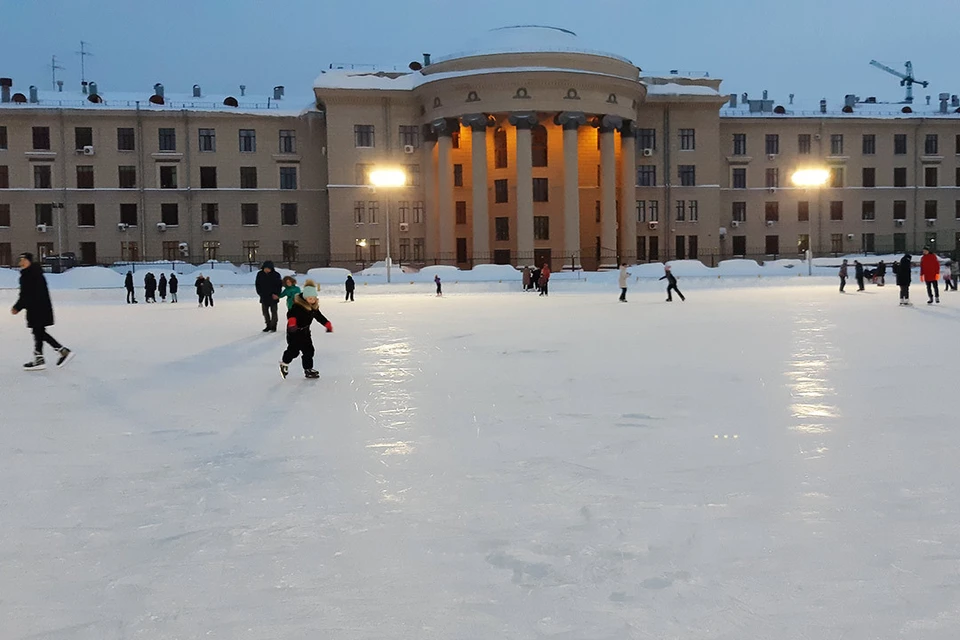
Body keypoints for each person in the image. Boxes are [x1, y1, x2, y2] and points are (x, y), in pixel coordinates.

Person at [10, 252, 73, 371]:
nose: (20, 262)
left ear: (28, 261)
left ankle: (62, 351)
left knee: (39, 332)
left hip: (36, 308)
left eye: (23, 259)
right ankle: (40, 358)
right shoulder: (35, 273)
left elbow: (26, 294)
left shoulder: (29, 275)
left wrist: (17, 307)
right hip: (40, 307)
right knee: (38, 332)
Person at [279, 280, 333, 380]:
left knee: (309, 351)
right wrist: (292, 322)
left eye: (313, 298)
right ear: (305, 298)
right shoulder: (298, 306)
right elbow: (290, 314)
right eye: (309, 298)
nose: (312, 300)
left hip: (305, 332)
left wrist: (327, 323)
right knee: (294, 351)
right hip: (294, 331)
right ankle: (284, 363)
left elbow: (319, 316)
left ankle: (308, 369)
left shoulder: (313, 307)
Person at [255, 260, 282, 332]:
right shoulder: (260, 274)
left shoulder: (276, 275)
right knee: (265, 312)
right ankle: (268, 325)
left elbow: (279, 286)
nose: (267, 270)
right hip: (264, 297)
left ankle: (273, 326)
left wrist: (276, 294)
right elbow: (257, 285)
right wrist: (260, 293)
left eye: (268, 268)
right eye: (266, 268)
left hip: (273, 297)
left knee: (274, 312)